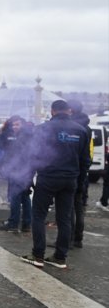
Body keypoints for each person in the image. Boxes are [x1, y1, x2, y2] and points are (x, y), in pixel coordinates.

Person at [21, 100, 91, 269]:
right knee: (65, 218)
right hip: (70, 179)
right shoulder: (81, 131)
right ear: (69, 111)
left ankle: (38, 255)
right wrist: (80, 184)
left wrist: (28, 178)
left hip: (48, 177)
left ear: (52, 111)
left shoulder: (43, 129)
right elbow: (85, 161)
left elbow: (33, 156)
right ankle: (60, 257)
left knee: (38, 215)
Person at [0, 116, 34, 232]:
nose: (14, 127)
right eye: (13, 125)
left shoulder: (24, 137)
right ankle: (26, 224)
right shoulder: (25, 135)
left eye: (17, 124)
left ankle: (13, 223)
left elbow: (19, 155)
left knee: (15, 197)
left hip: (19, 171)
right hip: (23, 171)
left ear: (23, 125)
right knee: (24, 197)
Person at [69, 100, 92, 248]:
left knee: (68, 208)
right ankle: (78, 238)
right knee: (78, 206)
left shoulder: (72, 127)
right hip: (82, 169)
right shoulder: (87, 127)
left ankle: (69, 238)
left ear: (71, 110)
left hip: (71, 170)